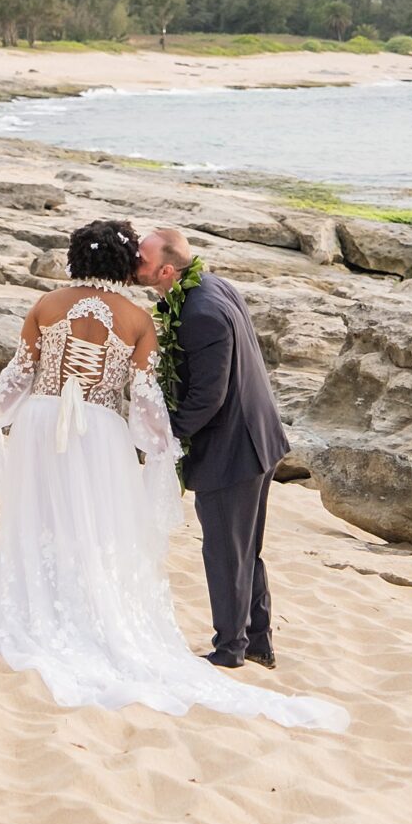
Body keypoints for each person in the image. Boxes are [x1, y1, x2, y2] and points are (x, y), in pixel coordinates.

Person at [0, 218, 348, 730]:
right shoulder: (137, 319)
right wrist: (157, 447)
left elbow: (17, 377)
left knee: (36, 510)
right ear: (124, 265)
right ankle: (238, 639)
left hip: (40, 426)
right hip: (101, 433)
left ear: (75, 260)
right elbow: (148, 401)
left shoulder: (45, 306)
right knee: (97, 522)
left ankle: (241, 641)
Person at [137, 227, 290, 669]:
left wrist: (164, 441)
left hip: (234, 448)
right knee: (244, 550)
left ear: (167, 269)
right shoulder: (212, 285)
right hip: (258, 435)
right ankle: (258, 642)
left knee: (225, 552)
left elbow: (208, 396)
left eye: (142, 259)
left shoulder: (201, 312)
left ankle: (230, 651)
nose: (135, 263)